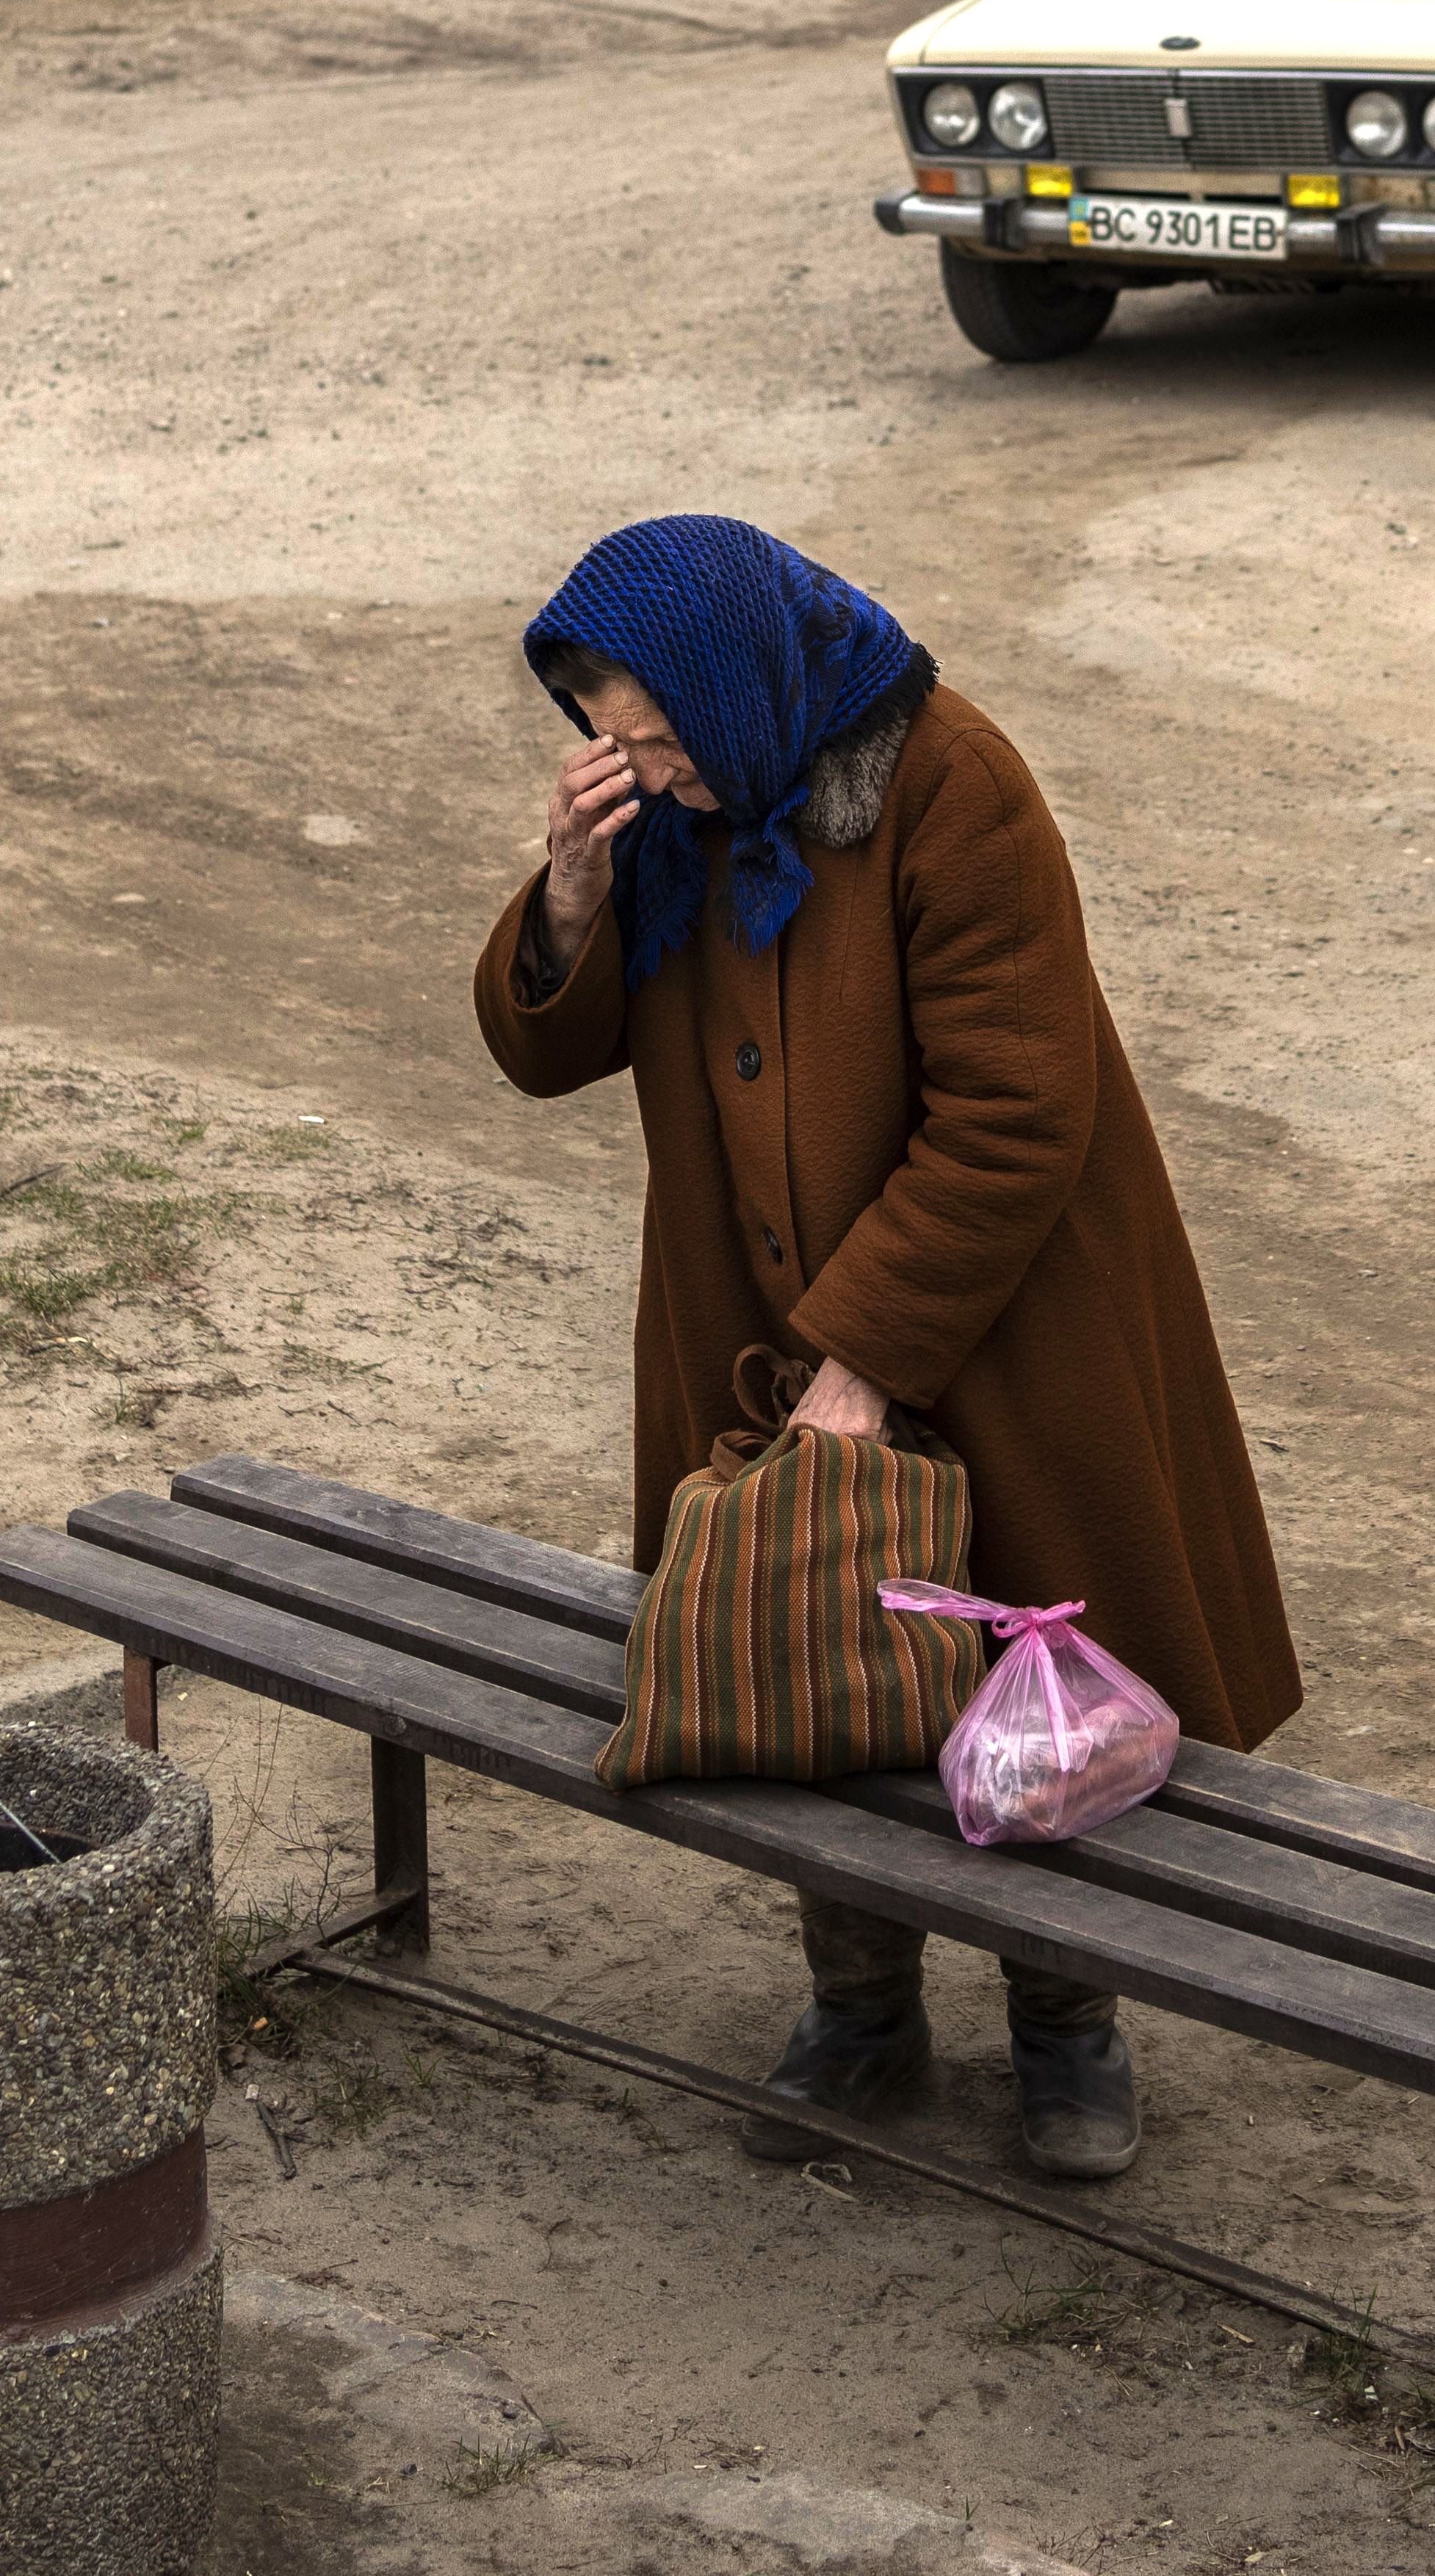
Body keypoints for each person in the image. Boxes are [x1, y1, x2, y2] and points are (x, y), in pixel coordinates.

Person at [473, 515, 1299, 2182]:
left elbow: (1018, 1112)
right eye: (604, 745)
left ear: (735, 685)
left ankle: (1066, 2023)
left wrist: (866, 1355)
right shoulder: (677, 810)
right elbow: (543, 1049)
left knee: (1029, 1676)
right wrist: (568, 888)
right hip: (747, 1320)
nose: (632, 770)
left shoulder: (953, 786)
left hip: (998, 1333)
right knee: (809, 1654)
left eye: (651, 735)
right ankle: (859, 2007)